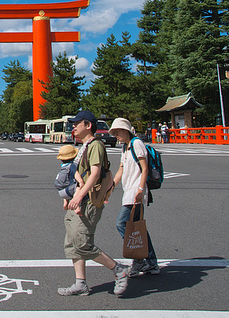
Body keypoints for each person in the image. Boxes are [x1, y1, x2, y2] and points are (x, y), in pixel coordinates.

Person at [58, 110, 129, 297]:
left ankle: (118, 269)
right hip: (77, 200)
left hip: (87, 201)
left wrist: (79, 196)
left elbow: (96, 173)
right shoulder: (83, 145)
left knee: (82, 243)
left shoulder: (95, 145)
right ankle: (80, 283)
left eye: (77, 123)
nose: (73, 126)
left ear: (88, 125)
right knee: (72, 243)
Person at [111, 117, 160, 277]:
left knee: (122, 224)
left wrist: (140, 189)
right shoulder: (125, 147)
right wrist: (111, 187)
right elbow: (121, 170)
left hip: (136, 192)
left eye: (117, 131)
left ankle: (139, 258)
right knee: (138, 229)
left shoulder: (136, 144)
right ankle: (151, 262)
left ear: (125, 130)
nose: (115, 135)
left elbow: (144, 169)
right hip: (130, 191)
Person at [55, 144, 82, 214]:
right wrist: (81, 182)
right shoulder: (72, 166)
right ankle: (76, 207)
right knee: (77, 188)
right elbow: (76, 174)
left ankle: (65, 203)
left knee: (68, 185)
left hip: (60, 191)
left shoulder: (63, 166)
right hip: (67, 192)